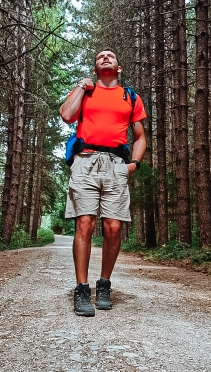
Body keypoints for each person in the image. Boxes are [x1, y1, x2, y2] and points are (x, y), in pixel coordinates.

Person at [59, 49, 147, 317]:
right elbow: (66, 115)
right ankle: (82, 289)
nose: (105, 57)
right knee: (85, 222)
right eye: (100, 56)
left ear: (118, 68)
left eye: (110, 55)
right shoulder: (85, 91)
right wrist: (79, 87)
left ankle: (104, 284)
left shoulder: (129, 96)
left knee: (113, 226)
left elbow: (140, 135)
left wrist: (134, 164)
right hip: (85, 162)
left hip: (115, 165)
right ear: (95, 68)